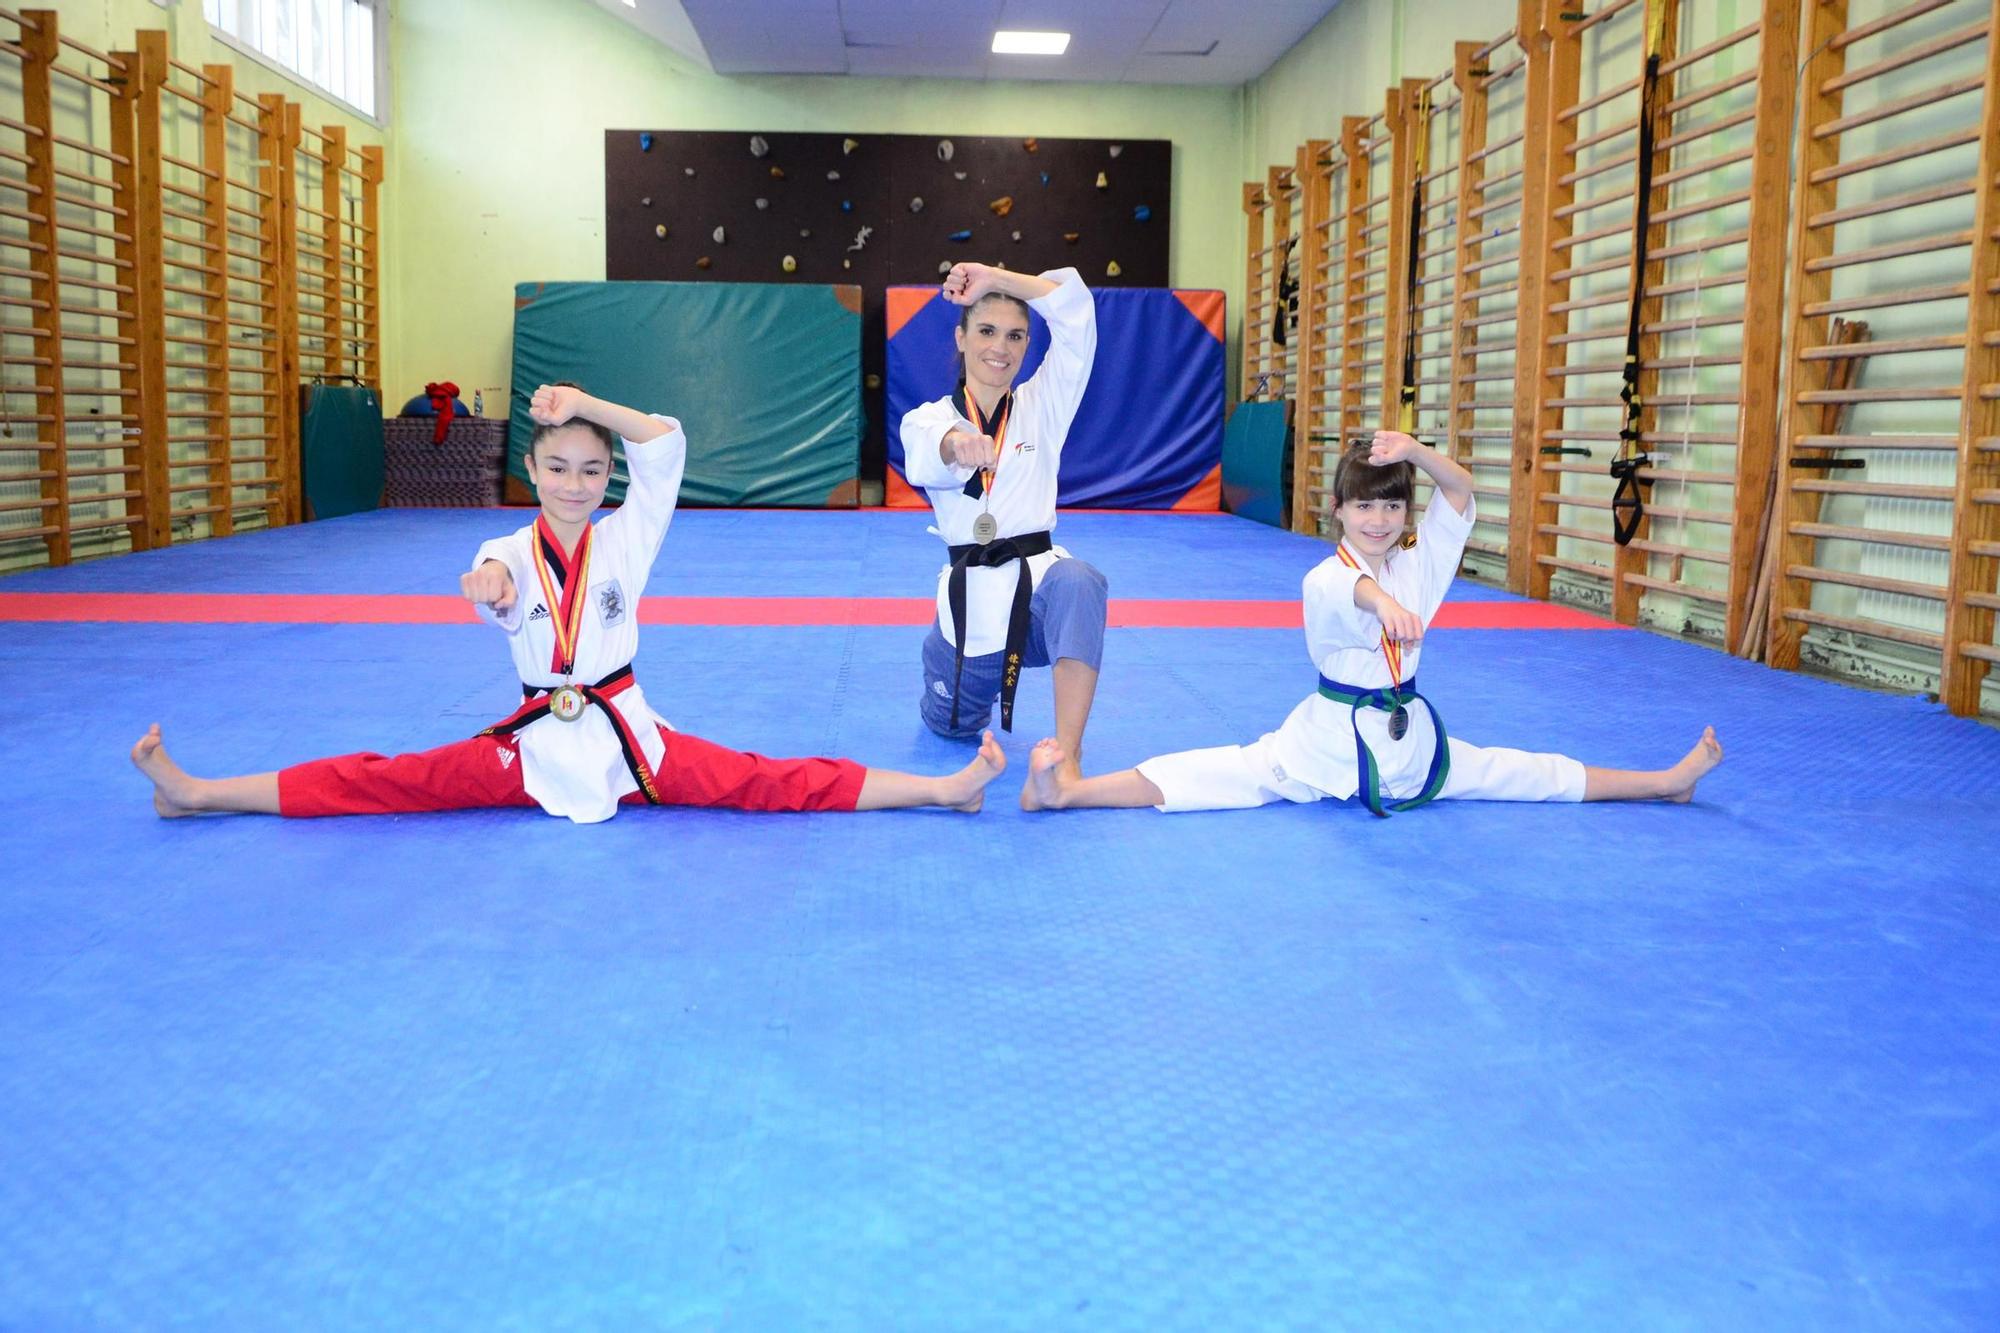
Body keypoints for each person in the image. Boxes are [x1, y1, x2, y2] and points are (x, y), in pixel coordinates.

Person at [132, 384, 1006, 822]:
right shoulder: (507, 548)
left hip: (632, 736)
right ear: (532, 473)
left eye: (593, 469)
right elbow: (493, 582)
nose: (576, 483)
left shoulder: (630, 534)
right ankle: (201, 793)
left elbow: (665, 442)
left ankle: (941, 789)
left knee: (764, 778)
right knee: (387, 777)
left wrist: (586, 405)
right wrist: (489, 589)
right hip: (531, 743)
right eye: (557, 467)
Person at [1021, 432, 1723, 815]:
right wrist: (1383, 604)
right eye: (1364, 507)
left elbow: (1461, 490)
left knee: (1519, 770)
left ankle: (1663, 781)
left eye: (1391, 508)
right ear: (1339, 512)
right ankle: (1074, 792)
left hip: (1408, 732)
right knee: (1224, 774)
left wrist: (1414, 452)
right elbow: (1348, 589)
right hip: (1328, 735)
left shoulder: (1421, 562)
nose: (1378, 519)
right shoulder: (1324, 575)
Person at [898, 261, 1107, 805]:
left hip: (1037, 597)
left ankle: (1066, 764)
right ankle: (940, 669)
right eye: (987, 330)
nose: (1001, 347)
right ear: (961, 337)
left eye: (1016, 335)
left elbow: (1076, 312)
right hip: (972, 615)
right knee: (952, 728)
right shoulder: (928, 417)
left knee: (1081, 581)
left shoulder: (1044, 404)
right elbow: (927, 451)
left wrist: (995, 279)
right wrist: (954, 444)